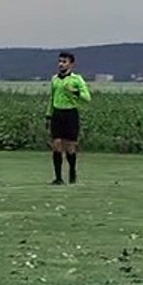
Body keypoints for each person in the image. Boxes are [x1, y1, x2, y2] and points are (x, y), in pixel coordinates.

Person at [46, 51, 91, 185]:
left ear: (71, 64)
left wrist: (76, 92)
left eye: (64, 62)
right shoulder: (54, 79)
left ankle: (72, 171)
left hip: (70, 114)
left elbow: (87, 98)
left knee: (70, 147)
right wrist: (48, 115)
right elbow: (51, 98)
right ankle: (58, 177)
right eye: (60, 61)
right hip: (57, 114)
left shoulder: (76, 79)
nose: (61, 64)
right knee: (56, 145)